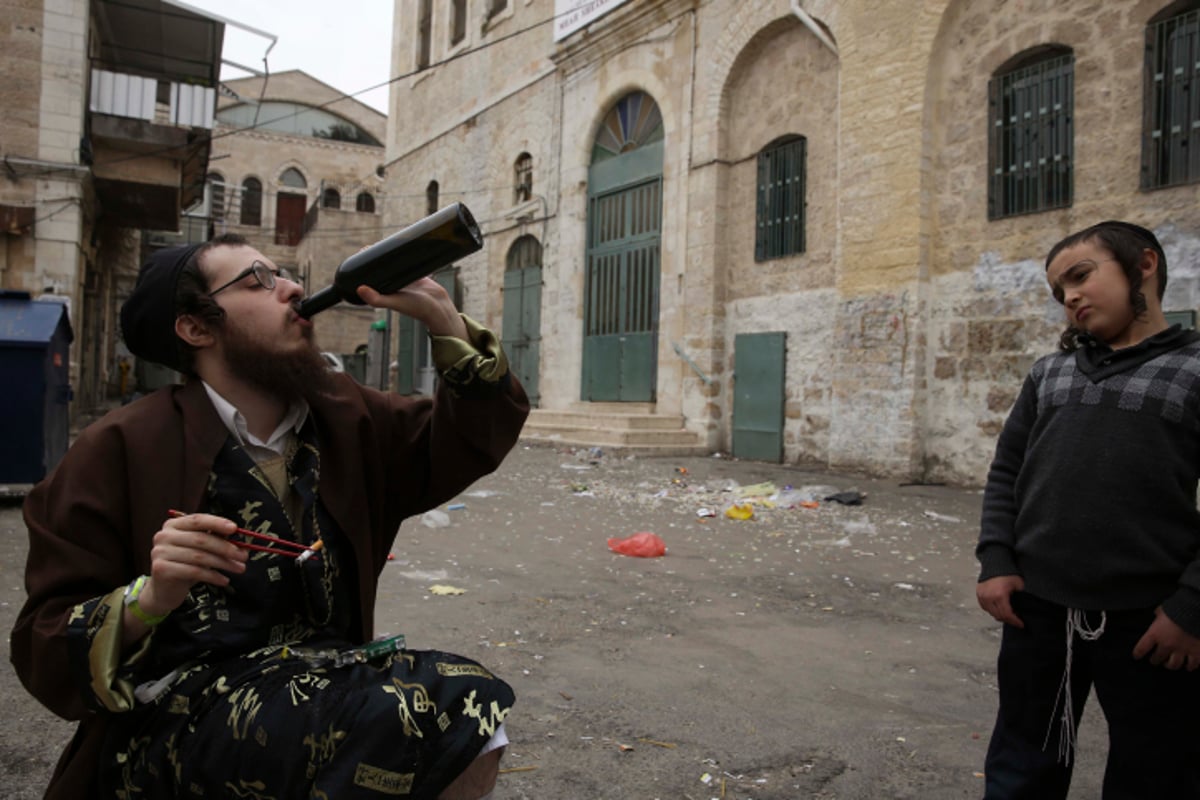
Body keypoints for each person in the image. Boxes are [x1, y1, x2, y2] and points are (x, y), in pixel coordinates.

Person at [11, 234, 529, 799]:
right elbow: (43, 645)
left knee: (472, 718)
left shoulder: (345, 416)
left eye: (281, 272)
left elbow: (467, 441)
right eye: (258, 280)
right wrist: (147, 598)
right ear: (196, 328)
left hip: (327, 687)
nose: (294, 288)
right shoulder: (119, 447)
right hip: (175, 722)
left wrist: (442, 317)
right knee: (403, 715)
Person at [976, 220, 1200, 799]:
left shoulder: (1192, 371)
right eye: (1058, 291)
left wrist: (1191, 609)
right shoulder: (1049, 374)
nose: (1069, 296)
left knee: (1154, 770)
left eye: (1080, 276)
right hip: (1038, 613)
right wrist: (997, 559)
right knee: (1022, 760)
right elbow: (1007, 473)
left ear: (1143, 266)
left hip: (1151, 623)